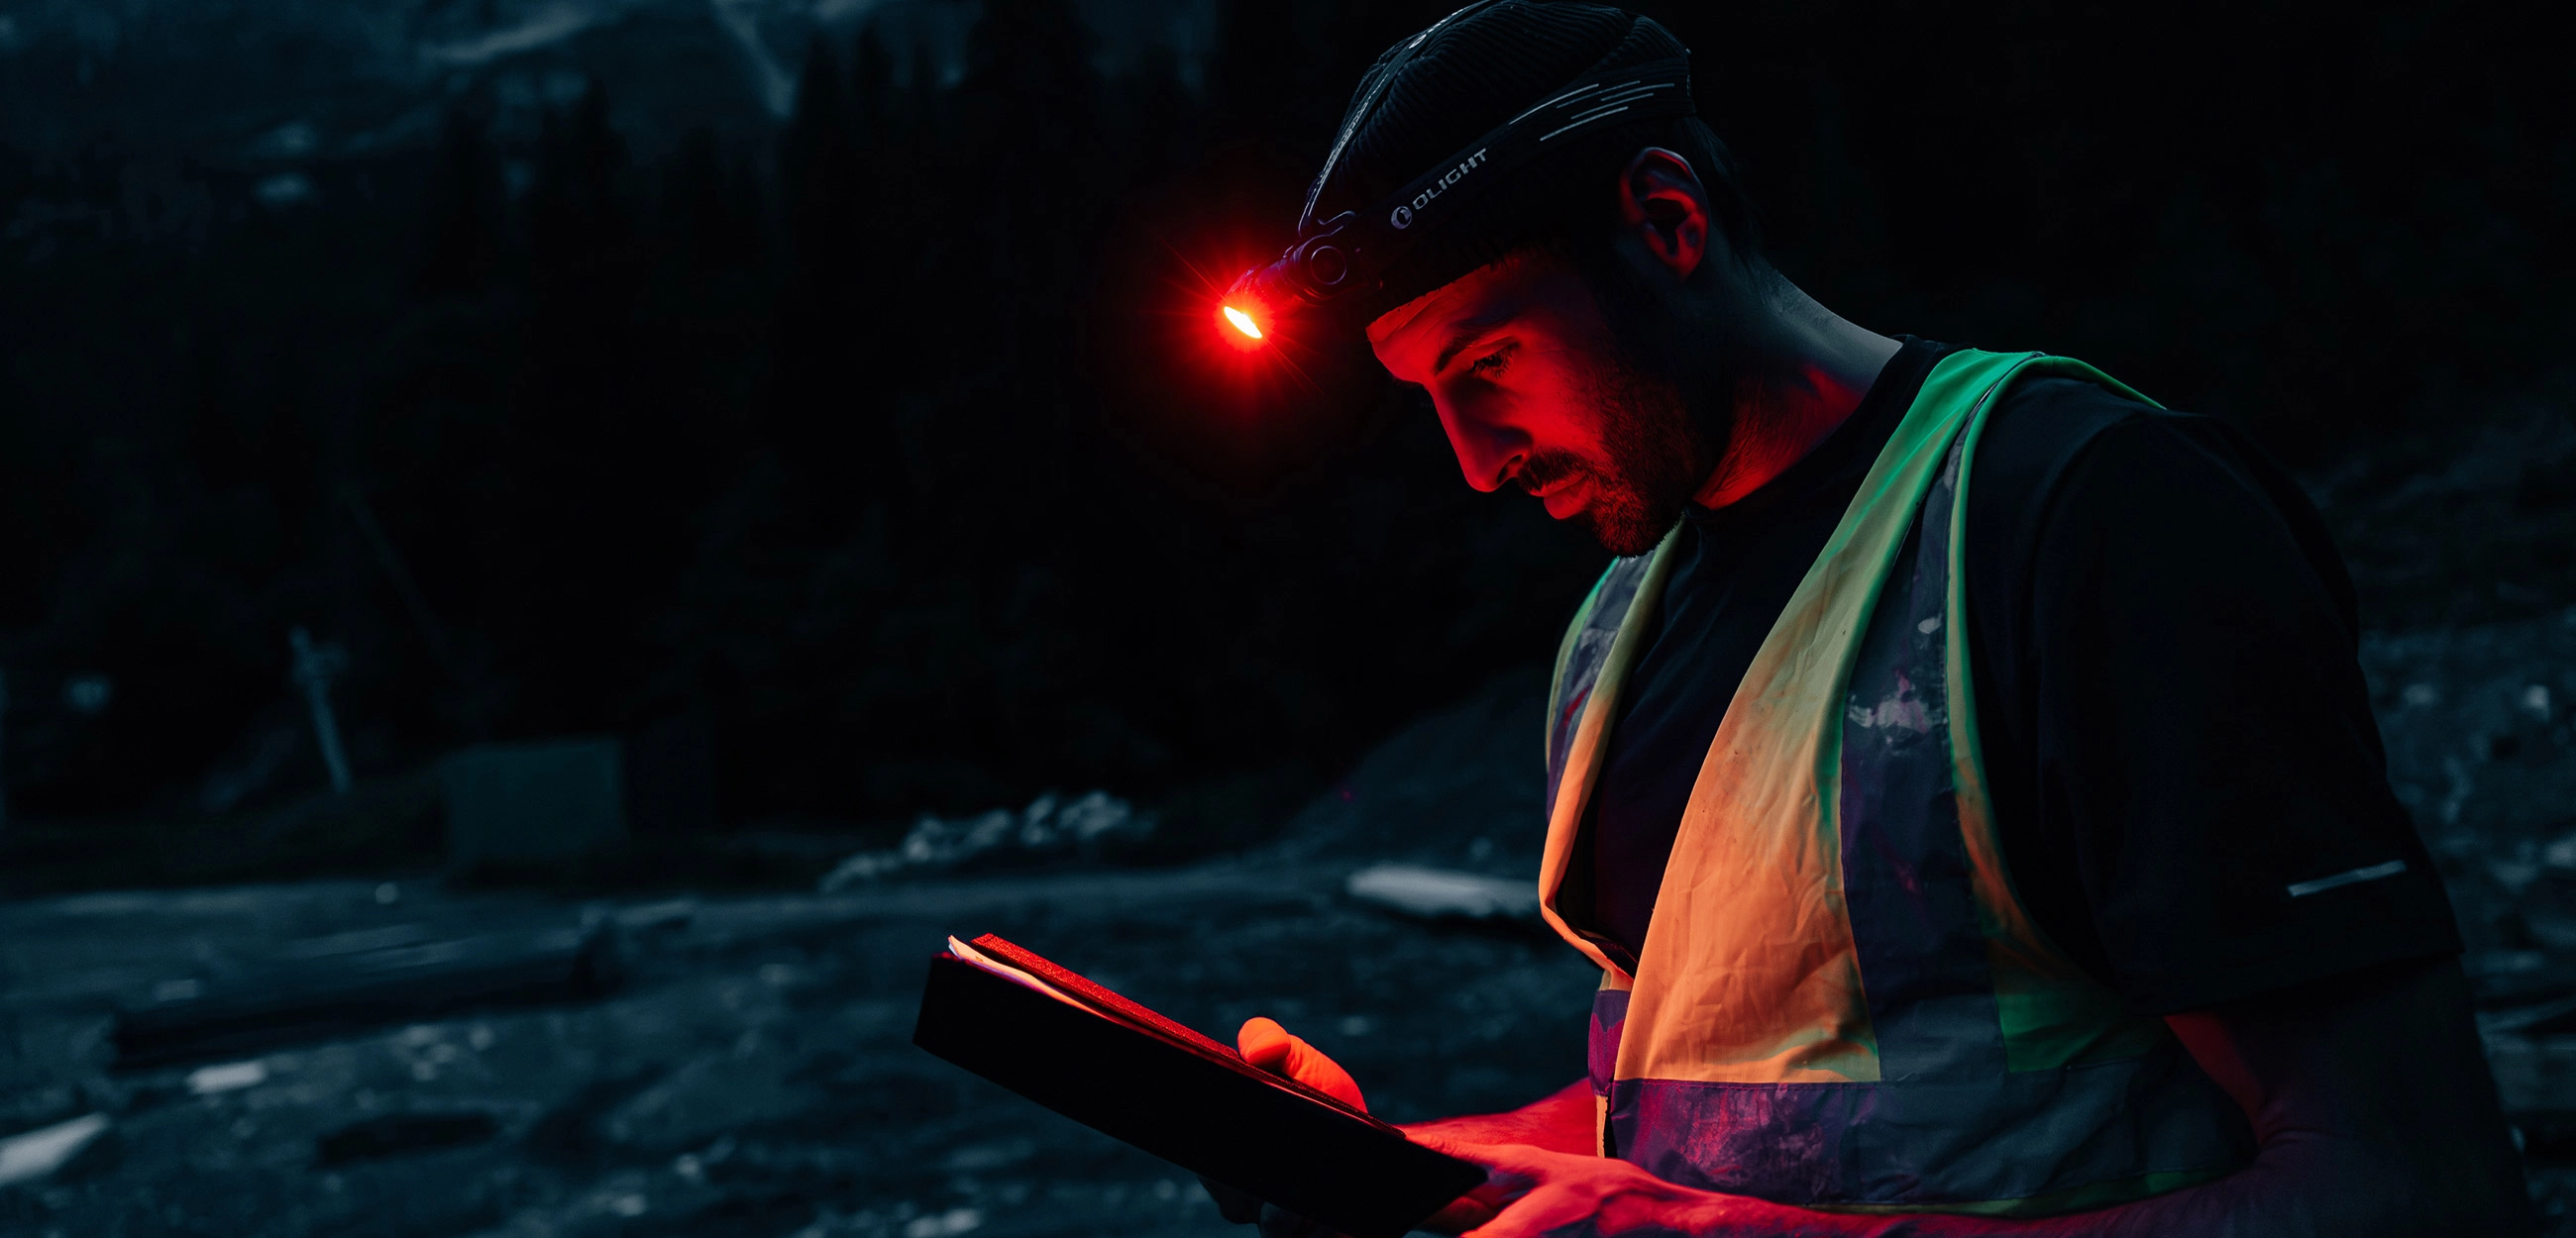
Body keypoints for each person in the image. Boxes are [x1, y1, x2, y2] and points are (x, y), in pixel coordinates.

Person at [1203, 2, 2535, 1235]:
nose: (1474, 460)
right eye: (1427, 395)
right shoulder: (1616, 630)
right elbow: (1718, 1113)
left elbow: (2414, 1183)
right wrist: (1416, 1164)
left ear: (1667, 222)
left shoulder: (2085, 517)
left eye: (1487, 364)